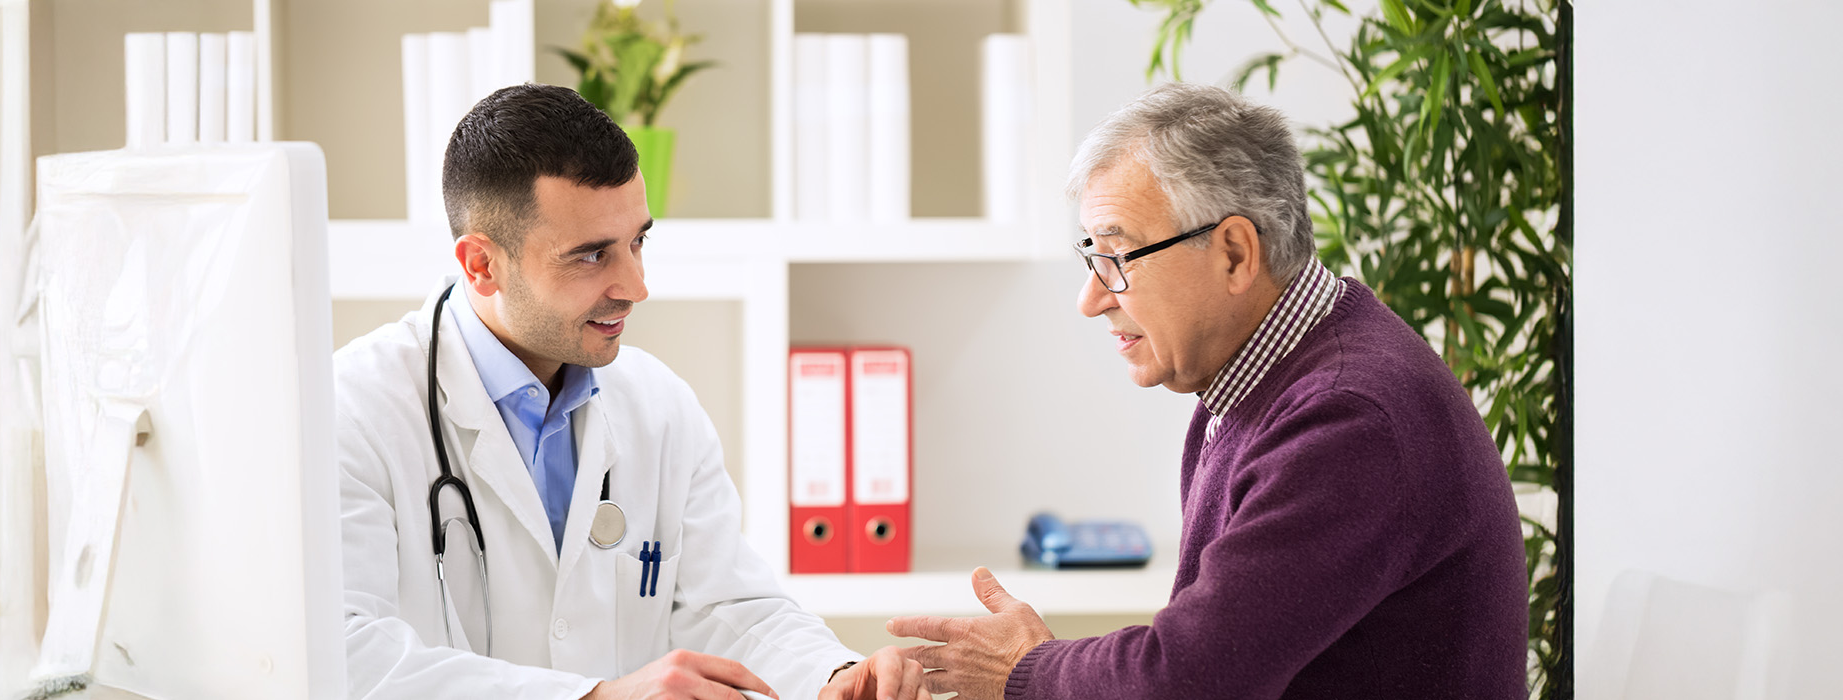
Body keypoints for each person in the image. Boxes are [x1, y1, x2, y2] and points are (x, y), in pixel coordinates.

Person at [886, 83, 1527, 698]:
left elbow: (1186, 682)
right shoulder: (1255, 384)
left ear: (1234, 254)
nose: (1091, 300)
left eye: (1118, 257)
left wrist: (1028, 669)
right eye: (1091, 257)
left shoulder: (1347, 419)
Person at [334, 84, 926, 700]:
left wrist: (834, 676)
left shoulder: (658, 405)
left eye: (637, 242)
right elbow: (347, 656)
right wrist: (595, 697)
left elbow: (729, 609)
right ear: (482, 264)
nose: (635, 286)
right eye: (591, 256)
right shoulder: (356, 409)